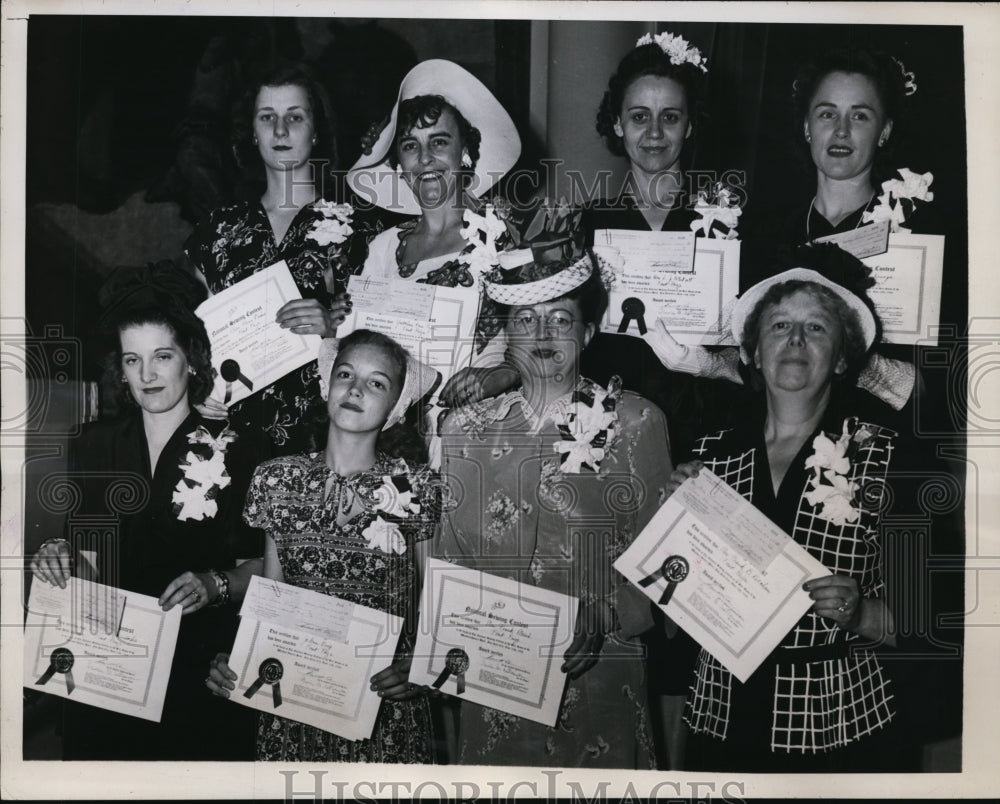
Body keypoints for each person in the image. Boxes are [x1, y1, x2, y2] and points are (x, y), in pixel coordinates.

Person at [669, 244, 933, 772]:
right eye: (779, 326)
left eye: (815, 328)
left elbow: (924, 622)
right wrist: (671, 525)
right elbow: (673, 617)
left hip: (838, 730)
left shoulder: (888, 458)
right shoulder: (706, 459)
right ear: (752, 352)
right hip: (721, 722)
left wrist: (860, 614)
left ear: (841, 357)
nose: (794, 340)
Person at [435, 236, 673, 768]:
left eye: (561, 319)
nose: (543, 334)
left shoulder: (637, 423)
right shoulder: (464, 428)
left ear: (588, 331)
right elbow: (447, 559)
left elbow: (666, 563)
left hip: (596, 670)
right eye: (525, 319)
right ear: (506, 335)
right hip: (495, 674)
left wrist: (611, 608)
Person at [29, 262, 265, 760]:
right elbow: (87, 553)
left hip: (196, 666)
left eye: (162, 356)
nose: (147, 375)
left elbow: (262, 569)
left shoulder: (241, 450)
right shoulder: (92, 445)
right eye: (132, 360)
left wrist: (214, 584)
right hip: (105, 668)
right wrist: (56, 554)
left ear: (192, 361)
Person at [206, 329, 442, 763]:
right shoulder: (274, 478)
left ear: (395, 408)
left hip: (383, 706)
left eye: (376, 383)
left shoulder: (418, 486)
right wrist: (240, 656)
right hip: (291, 703)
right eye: (346, 374)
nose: (355, 389)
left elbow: (435, 600)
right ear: (327, 385)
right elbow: (272, 597)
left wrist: (422, 666)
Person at [185, 62, 368, 453]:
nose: (280, 131)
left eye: (295, 117)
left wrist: (331, 332)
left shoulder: (360, 232)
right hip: (225, 435)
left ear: (317, 130)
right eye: (267, 117)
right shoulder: (215, 230)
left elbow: (383, 344)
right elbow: (187, 333)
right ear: (252, 131)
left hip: (322, 436)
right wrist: (195, 385)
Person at [347, 59, 522, 399]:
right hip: (392, 424)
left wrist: (499, 375)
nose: (425, 159)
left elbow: (542, 339)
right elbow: (360, 344)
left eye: (439, 142)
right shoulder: (384, 248)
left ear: (465, 152)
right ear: (399, 164)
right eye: (411, 146)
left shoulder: (505, 238)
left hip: (480, 425)